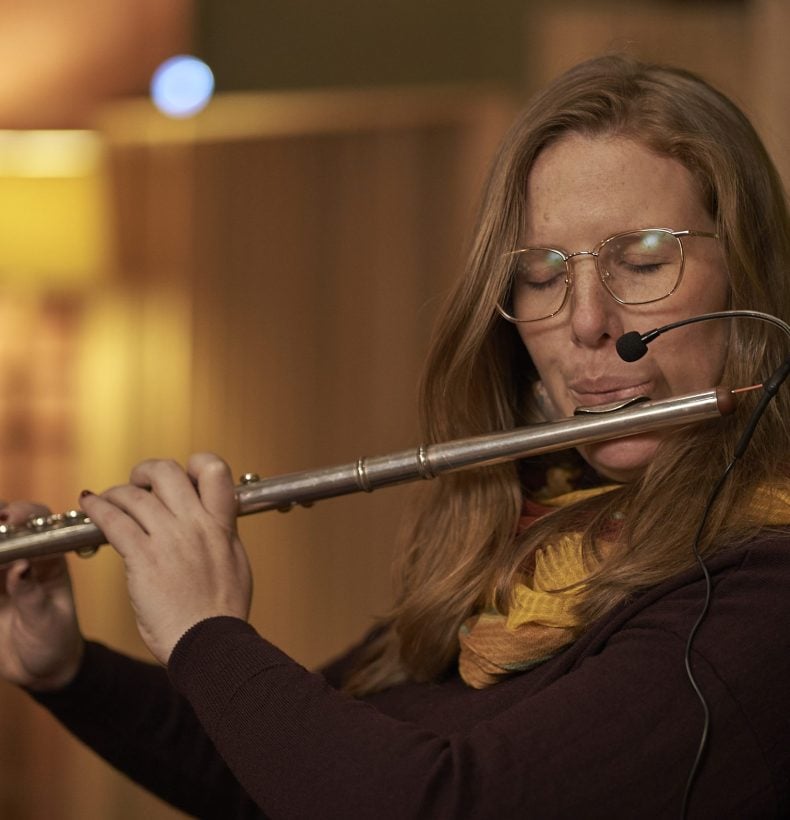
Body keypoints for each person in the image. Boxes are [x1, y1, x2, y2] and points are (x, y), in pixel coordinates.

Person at [2, 54, 790, 819]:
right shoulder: (534, 527)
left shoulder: (762, 585)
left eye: (645, 260)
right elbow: (289, 776)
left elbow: (432, 802)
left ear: (748, 274)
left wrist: (205, 631)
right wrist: (68, 669)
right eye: (543, 275)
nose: (585, 322)